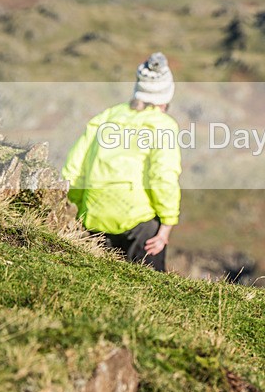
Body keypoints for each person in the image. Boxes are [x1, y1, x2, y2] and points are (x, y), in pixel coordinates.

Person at [62, 52, 182, 272]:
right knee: (150, 287)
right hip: (140, 224)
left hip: (94, 218)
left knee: (97, 284)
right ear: (166, 94)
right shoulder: (163, 125)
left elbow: (74, 168)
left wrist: (77, 207)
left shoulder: (106, 117)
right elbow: (162, 176)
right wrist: (167, 224)